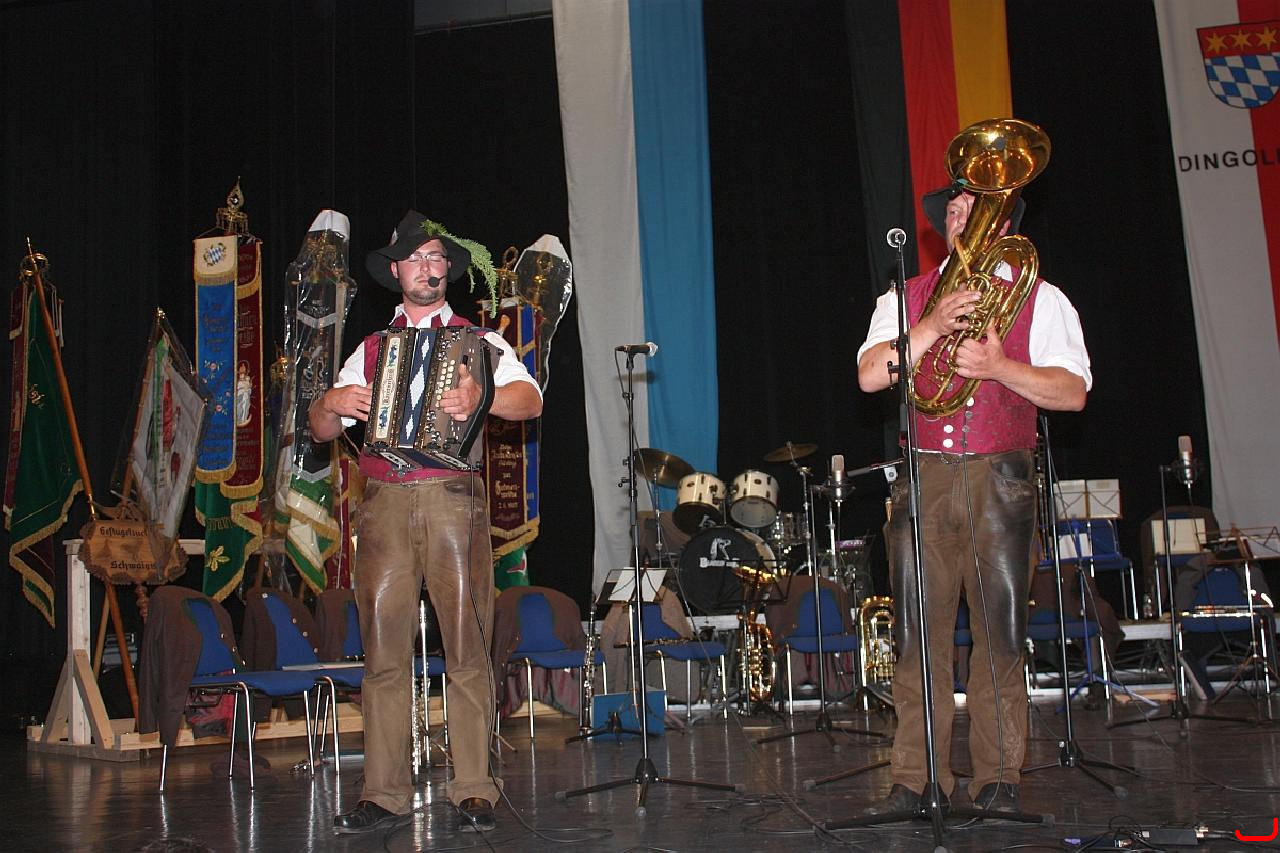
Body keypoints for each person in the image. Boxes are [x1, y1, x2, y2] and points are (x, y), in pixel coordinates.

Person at [856, 185, 1091, 814]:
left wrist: (999, 368)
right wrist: (931, 325)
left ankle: (998, 777)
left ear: (1004, 225)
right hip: (923, 477)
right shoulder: (905, 299)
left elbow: (1072, 393)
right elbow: (871, 375)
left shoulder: (1042, 297)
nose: (961, 219)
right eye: (955, 212)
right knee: (917, 634)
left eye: (975, 210)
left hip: (1002, 478)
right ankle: (917, 778)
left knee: (1001, 634)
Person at [310, 211, 543, 835]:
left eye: (436, 257)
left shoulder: (481, 341)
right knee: (383, 651)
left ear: (447, 271)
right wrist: (330, 402)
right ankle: (383, 793)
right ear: (396, 272)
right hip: (384, 503)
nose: (427, 267)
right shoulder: (369, 350)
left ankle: (475, 788)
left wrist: (481, 398)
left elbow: (530, 401)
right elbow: (322, 429)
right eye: (415, 258)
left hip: (452, 500)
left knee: (467, 644)